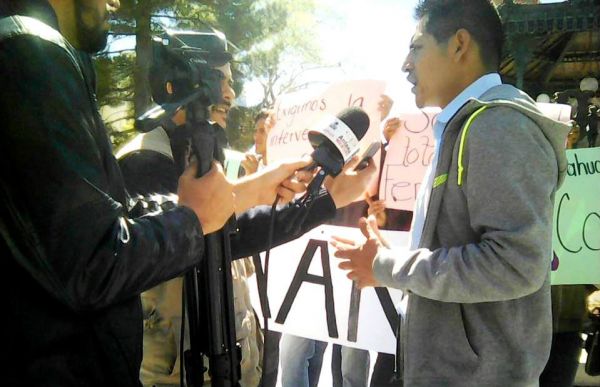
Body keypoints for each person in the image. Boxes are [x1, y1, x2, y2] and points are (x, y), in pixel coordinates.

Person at [0, 1, 375, 386]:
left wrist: (269, 193)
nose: (230, 94)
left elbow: (212, 227)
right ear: (174, 85)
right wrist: (318, 201)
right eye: (219, 80)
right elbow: (115, 255)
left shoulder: (194, 153)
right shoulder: (144, 156)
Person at [333, 1, 570, 386]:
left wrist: (386, 267)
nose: (405, 64)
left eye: (416, 47)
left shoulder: (499, 127)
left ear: (460, 44)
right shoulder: (471, 126)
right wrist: (394, 260)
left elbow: (515, 264)